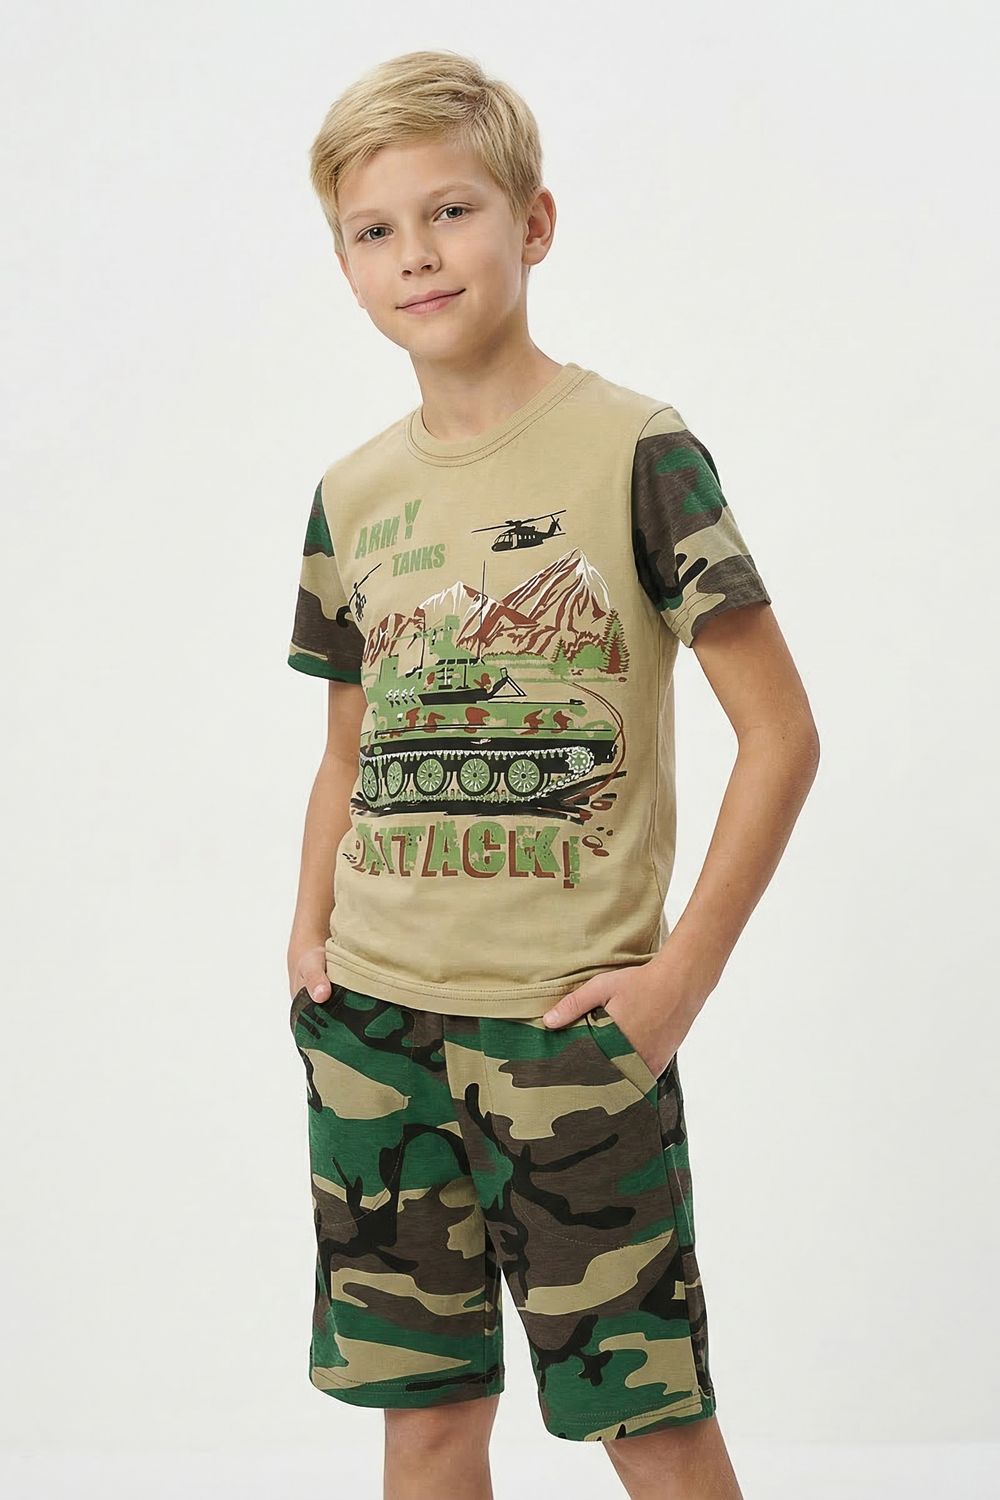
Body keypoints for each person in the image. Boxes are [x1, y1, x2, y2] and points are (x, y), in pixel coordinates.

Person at [284, 48, 819, 1500]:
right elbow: (348, 747)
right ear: (345, 264)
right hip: (373, 1035)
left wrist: (676, 985)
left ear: (533, 223)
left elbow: (782, 734)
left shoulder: (637, 451)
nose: (416, 254)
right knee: (427, 1422)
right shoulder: (351, 496)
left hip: (568, 1033)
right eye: (375, 230)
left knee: (648, 1419)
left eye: (450, 211)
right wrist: (308, 944)